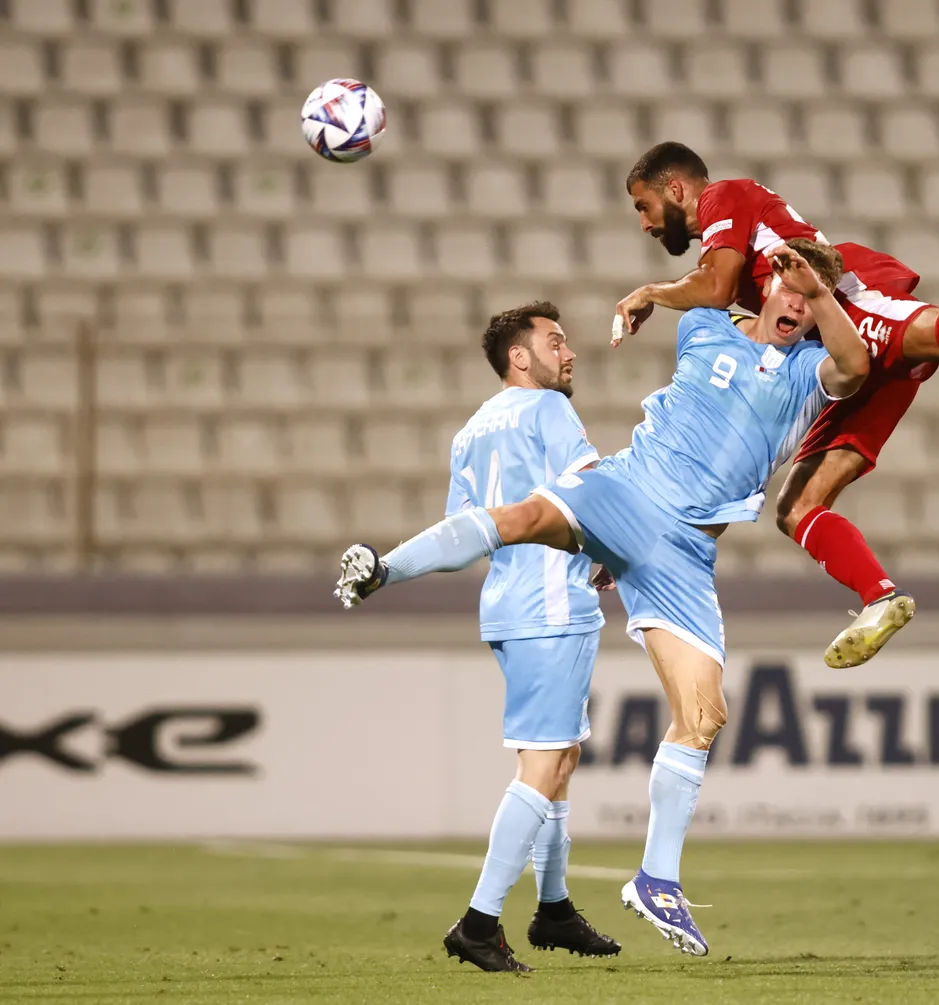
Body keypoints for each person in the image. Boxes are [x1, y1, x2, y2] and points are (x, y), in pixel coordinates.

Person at [334, 241, 870, 958]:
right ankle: (383, 567)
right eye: (793, 291)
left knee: (705, 713)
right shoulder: (705, 329)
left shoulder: (813, 370)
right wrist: (656, 292)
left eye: (814, 302)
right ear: (767, 285)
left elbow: (858, 365)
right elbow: (704, 287)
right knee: (525, 517)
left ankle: (656, 878)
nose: (800, 309)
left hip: (683, 551)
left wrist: (820, 295)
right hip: (630, 490)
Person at [615, 142, 939, 669]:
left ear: (676, 189)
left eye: (644, 206)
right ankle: (880, 596)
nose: (645, 224)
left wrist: (649, 293)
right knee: (797, 507)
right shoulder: (734, 244)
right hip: (838, 354)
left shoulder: (723, 197)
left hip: (850, 310)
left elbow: (716, 286)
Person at [339, 302, 620, 973]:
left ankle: (553, 909)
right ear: (519, 357)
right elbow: (589, 486)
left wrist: (391, 567)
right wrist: (615, 544)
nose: (569, 352)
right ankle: (479, 921)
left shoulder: (469, 433)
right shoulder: (549, 410)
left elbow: (463, 535)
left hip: (506, 609)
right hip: (552, 606)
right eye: (555, 341)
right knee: (544, 765)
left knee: (560, 758)